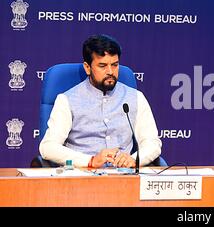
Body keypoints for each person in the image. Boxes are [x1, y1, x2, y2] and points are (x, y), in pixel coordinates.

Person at [39, 34, 162, 168]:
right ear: (87, 67)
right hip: (83, 177)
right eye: (102, 66)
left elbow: (152, 143)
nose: (110, 71)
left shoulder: (136, 97)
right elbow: (48, 147)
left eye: (114, 65)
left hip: (125, 176)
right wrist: (90, 160)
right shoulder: (67, 100)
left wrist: (134, 160)